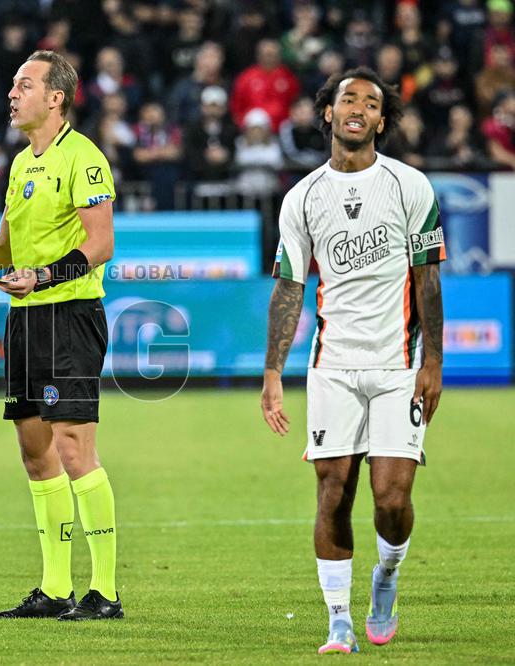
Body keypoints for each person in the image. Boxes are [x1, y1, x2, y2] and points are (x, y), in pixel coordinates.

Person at [261, 67, 445, 655]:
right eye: (348, 99)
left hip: (397, 365)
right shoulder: (304, 196)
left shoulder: (410, 186)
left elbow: (428, 277)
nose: (358, 107)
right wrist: (271, 372)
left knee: (392, 498)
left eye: (370, 101)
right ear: (329, 114)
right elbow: (290, 288)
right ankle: (338, 618)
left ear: (381, 121)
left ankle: (385, 578)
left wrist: (433, 360)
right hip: (332, 365)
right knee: (332, 490)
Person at [0, 50, 121, 621]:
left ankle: (104, 591)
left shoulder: (84, 157)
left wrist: (43, 276)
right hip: (24, 319)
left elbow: (101, 244)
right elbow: (4, 246)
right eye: (12, 85)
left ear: (55, 97)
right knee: (35, 452)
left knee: (75, 447)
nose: (11, 94)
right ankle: (55, 589)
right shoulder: (23, 162)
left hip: (69, 314)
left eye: (24, 85)